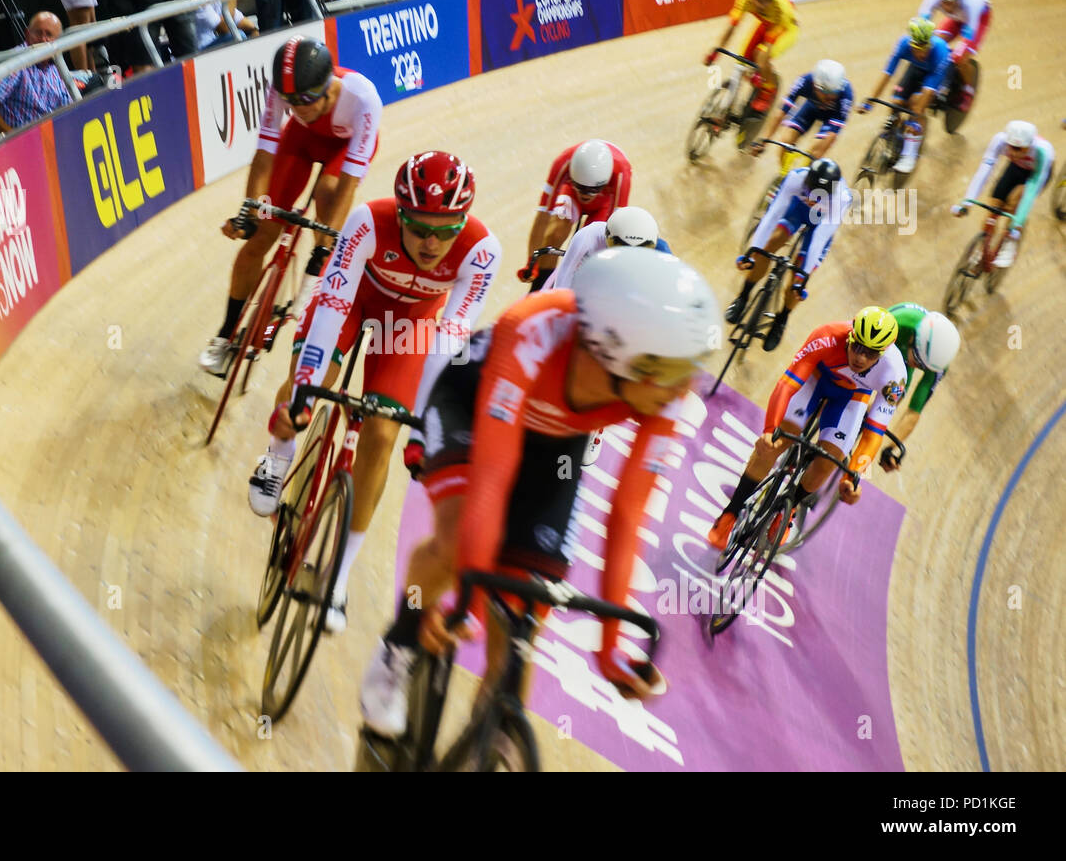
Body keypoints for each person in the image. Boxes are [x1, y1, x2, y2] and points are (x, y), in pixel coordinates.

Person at [359, 247, 722, 736]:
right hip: (471, 403)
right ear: (618, 350)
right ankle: (400, 642)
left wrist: (611, 644)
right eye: (676, 371)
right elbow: (492, 476)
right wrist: (468, 591)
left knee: (521, 628)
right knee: (455, 543)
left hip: (555, 444)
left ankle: (490, 745)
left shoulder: (663, 391)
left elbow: (629, 512)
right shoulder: (531, 328)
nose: (685, 390)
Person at [249, 152, 501, 632]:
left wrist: (422, 428)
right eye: (421, 227)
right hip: (352, 301)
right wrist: (304, 393)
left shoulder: (481, 250)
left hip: (410, 324)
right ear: (400, 215)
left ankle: (337, 577)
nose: (432, 243)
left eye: (445, 230)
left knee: (383, 436)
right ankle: (277, 456)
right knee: (313, 381)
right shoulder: (368, 221)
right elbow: (332, 304)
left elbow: (450, 338)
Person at [200, 36, 383, 375]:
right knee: (260, 237)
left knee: (327, 192)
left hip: (344, 151)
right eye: (290, 100)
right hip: (301, 143)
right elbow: (265, 153)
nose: (298, 107)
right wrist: (250, 210)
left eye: (307, 99)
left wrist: (328, 242)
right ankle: (225, 335)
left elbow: (347, 185)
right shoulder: (282, 91)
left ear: (327, 85)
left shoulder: (363, 99)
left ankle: (316, 266)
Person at [706, 306, 908, 552]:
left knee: (829, 461)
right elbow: (787, 385)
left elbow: (874, 431)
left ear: (884, 353)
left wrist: (853, 476)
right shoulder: (827, 336)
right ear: (850, 336)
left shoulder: (894, 375)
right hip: (815, 380)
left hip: (852, 399)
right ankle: (731, 513)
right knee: (774, 445)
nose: (861, 358)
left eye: (871, 354)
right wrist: (770, 430)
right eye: (857, 347)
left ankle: (789, 508)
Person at [724, 158, 848, 352]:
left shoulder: (841, 198)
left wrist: (802, 278)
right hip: (797, 212)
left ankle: (781, 319)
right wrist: (752, 251)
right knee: (770, 243)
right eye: (809, 192)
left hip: (820, 224)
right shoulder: (796, 178)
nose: (812, 199)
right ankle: (743, 296)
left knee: (797, 280)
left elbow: (820, 237)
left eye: (817, 196)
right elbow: (772, 216)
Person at [520, 139, 633, 291]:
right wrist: (531, 262)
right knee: (555, 233)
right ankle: (537, 291)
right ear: (572, 174)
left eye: (593, 190)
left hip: (604, 204)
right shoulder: (563, 162)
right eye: (581, 187)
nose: (586, 195)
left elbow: (614, 234)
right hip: (570, 193)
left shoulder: (622, 174)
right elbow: (543, 215)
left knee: (589, 250)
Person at [951, 120, 1055, 269]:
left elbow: (1031, 190)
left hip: (1036, 174)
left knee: (1016, 201)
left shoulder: (1042, 152)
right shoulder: (1000, 140)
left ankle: (1010, 242)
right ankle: (983, 247)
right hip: (1016, 168)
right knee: (994, 206)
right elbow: (984, 170)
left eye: (1020, 149)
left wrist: (1017, 222)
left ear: (1030, 145)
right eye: (1012, 147)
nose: (1014, 152)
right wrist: (967, 201)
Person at [856, 17, 951, 175]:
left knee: (915, 105)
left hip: (935, 74)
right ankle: (895, 135)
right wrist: (870, 100)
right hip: (916, 69)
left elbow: (928, 92)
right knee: (896, 101)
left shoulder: (939, 51)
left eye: (925, 47)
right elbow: (887, 73)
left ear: (930, 43)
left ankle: (909, 154)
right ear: (911, 43)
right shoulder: (903, 44)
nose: (921, 52)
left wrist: (916, 117)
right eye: (917, 48)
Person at [877, 303, 960, 472]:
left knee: (891, 400)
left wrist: (889, 448)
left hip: (903, 368)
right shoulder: (898, 322)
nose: (918, 364)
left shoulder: (938, 366)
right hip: (890, 344)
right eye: (917, 358)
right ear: (913, 338)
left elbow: (914, 411)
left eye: (923, 366)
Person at [705, 0, 799, 119]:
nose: (764, 4)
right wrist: (716, 51)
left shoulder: (781, 8)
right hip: (766, 25)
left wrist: (759, 71)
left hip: (786, 29)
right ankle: (726, 108)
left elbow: (768, 44)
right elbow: (731, 28)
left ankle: (769, 89)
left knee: (760, 55)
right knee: (741, 62)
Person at [751, 59, 852, 175]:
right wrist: (764, 140)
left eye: (834, 92)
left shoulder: (846, 96)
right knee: (785, 140)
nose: (831, 97)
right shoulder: (805, 81)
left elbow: (832, 135)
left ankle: (804, 179)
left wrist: (814, 155)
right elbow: (781, 112)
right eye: (826, 92)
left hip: (831, 117)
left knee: (814, 154)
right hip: (811, 108)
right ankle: (784, 175)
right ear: (815, 86)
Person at [0, 12, 74, 132]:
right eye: (38, 33)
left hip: (56, 135)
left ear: (58, 40)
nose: (43, 39)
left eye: (49, 35)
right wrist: (14, 136)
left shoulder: (55, 64)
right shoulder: (15, 63)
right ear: (27, 34)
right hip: (27, 141)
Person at [543, 205, 670, 291]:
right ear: (606, 235)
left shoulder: (661, 250)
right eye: (620, 247)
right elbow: (565, 277)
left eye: (637, 251)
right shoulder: (588, 237)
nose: (627, 258)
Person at [918, 0, 990, 113]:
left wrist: (960, 50)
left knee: (959, 57)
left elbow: (970, 32)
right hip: (956, 19)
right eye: (944, 2)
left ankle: (968, 90)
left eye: (951, 2)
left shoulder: (971, 2)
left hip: (978, 19)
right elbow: (922, 24)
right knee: (932, 45)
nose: (947, 6)